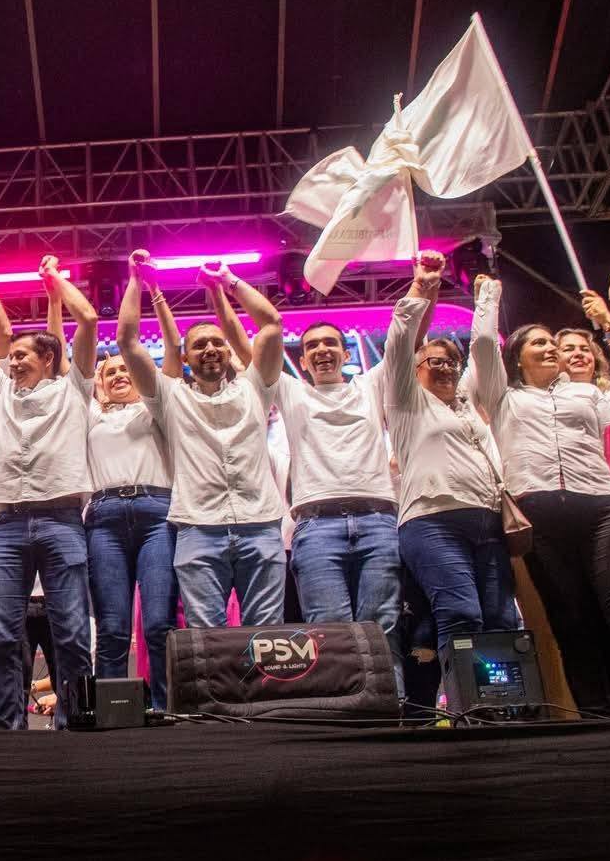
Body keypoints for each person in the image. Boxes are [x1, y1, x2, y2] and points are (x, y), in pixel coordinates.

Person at [468, 275, 610, 721]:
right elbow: (484, 347)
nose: (550, 348)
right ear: (518, 357)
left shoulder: (589, 392)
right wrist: (489, 297)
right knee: (571, 622)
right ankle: (600, 721)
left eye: (553, 341)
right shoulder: (503, 396)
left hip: (603, 506)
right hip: (539, 515)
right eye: (538, 344)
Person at [0, 247, 98, 730]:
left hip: (62, 520)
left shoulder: (75, 388)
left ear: (47, 357)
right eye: (11, 355)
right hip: (7, 525)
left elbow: (87, 317)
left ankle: (76, 724)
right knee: (1, 635)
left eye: (21, 354)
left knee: (72, 634)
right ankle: (8, 729)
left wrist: (55, 282)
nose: (12, 360)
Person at [117, 254, 286, 630]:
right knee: (206, 639)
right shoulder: (170, 397)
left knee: (266, 636)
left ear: (228, 353)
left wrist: (229, 281)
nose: (209, 348)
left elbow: (272, 325)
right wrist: (135, 280)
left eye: (216, 343)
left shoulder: (255, 388)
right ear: (186, 357)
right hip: (198, 527)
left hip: (260, 522)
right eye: (199, 345)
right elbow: (127, 342)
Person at [267, 268, 416, 673]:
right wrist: (222, 289)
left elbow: (403, 341)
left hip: (378, 520)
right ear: (302, 360)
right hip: (316, 527)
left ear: (346, 353)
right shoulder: (292, 393)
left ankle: (393, 708)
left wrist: (422, 285)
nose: (322, 350)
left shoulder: (370, 387)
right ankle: (344, 715)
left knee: (382, 624)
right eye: (312, 345)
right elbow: (255, 346)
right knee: (327, 630)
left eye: (331, 342)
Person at [383, 252, 516, 652]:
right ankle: (465, 709)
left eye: (452, 361)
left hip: (489, 519)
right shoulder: (406, 401)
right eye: (434, 361)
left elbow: (486, 349)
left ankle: (505, 710)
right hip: (432, 520)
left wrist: (487, 300)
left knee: (500, 618)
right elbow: (401, 338)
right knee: (461, 614)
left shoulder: (469, 404)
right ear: (415, 368)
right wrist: (422, 287)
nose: (445, 367)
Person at [83, 251, 177, 711]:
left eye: (125, 370)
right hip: (102, 519)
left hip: (158, 514)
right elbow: (75, 361)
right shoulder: (87, 416)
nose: (119, 374)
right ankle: (112, 713)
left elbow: (163, 349)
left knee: (158, 622)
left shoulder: (158, 404)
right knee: (113, 625)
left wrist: (146, 287)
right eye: (110, 372)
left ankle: (162, 709)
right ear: (99, 384)